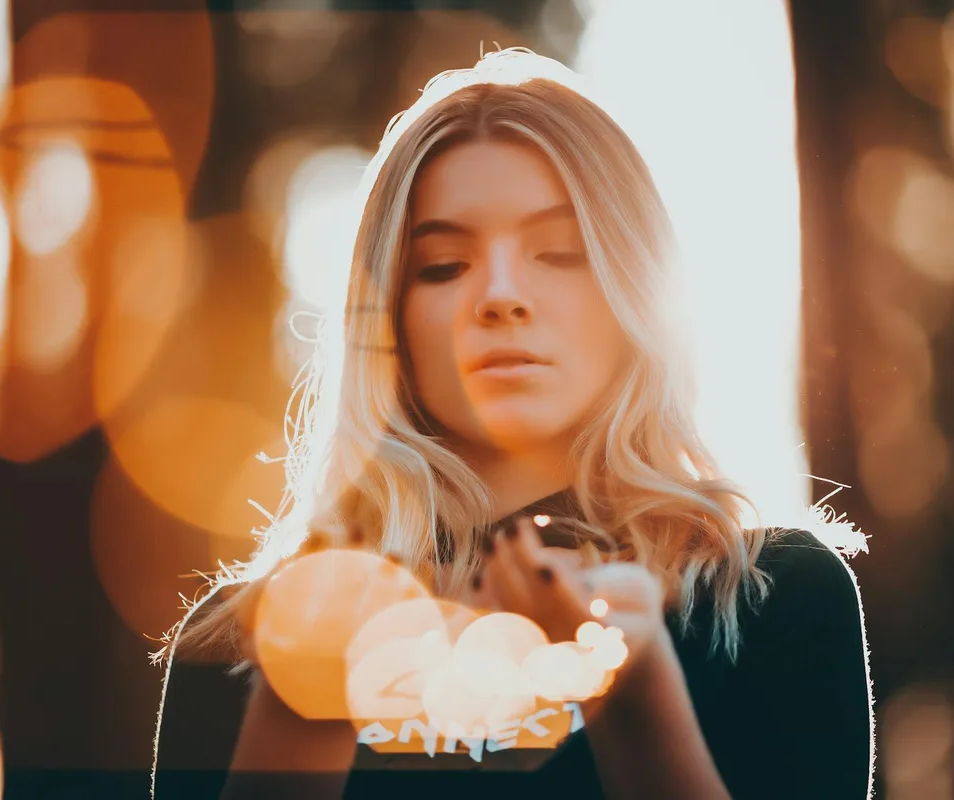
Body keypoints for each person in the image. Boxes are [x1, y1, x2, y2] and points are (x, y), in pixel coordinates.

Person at [150, 48, 874, 799]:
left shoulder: (773, 597)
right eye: (442, 265)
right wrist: (300, 712)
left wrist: (635, 697)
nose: (499, 294)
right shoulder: (239, 638)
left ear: (638, 287)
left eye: (558, 252)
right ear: (388, 317)